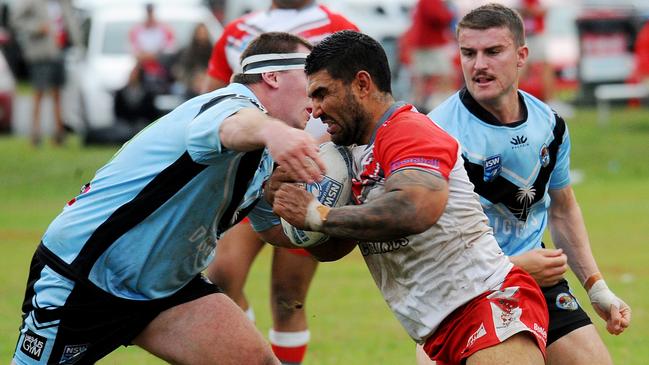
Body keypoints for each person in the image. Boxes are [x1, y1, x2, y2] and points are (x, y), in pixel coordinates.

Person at [11, 32, 326, 365]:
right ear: (272, 75)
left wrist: (325, 218)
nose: (317, 89)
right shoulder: (229, 106)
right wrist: (273, 132)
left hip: (167, 290)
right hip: (86, 275)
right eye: (309, 74)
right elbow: (233, 126)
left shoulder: (267, 155)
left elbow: (274, 231)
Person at [271, 30, 549, 365]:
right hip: (439, 330)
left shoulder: (407, 131)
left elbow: (414, 208)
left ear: (362, 84)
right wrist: (292, 209)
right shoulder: (349, 156)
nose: (314, 111)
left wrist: (318, 214)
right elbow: (334, 248)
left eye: (322, 94)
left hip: (487, 304)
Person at [427, 4, 631, 365]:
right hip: (467, 292)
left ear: (521, 55)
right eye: (468, 53)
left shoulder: (549, 125)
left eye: (492, 52)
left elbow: (563, 208)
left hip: (539, 281)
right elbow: (425, 239)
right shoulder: (436, 132)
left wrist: (597, 287)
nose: (478, 65)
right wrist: (511, 266)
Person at [204, 2, 358, 363]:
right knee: (222, 277)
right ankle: (248, 353)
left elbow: (358, 103)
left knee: (288, 295)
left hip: (314, 178)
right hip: (251, 176)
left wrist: (325, 153)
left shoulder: (341, 28)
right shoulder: (239, 31)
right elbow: (210, 100)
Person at [11, 0, 80, 146]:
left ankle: (59, 134)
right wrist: (36, 27)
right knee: (39, 93)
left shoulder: (64, 3)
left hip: (59, 52)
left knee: (58, 94)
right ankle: (35, 134)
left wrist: (77, 44)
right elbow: (15, 19)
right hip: (40, 54)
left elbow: (71, 23)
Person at [406, 0, 455, 111]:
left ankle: (417, 106)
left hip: (424, 43)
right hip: (430, 44)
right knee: (444, 76)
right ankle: (443, 105)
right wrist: (449, 13)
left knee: (423, 78)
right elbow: (439, 16)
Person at [128, 3, 175, 93]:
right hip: (143, 71)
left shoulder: (165, 29)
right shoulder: (136, 30)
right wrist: (155, 55)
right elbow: (135, 53)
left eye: (151, 12)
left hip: (162, 71)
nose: (150, 15)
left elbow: (169, 51)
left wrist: (148, 55)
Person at [171, 23, 213, 98]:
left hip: (208, 83)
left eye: (203, 33)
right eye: (199, 33)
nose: (201, 36)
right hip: (190, 84)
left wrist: (205, 78)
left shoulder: (212, 50)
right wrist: (193, 80)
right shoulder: (188, 52)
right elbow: (182, 70)